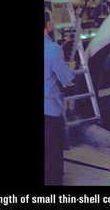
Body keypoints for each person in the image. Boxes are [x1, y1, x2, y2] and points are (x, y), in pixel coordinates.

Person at [44, 11, 75, 185]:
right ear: (48, 25)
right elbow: (67, 79)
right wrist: (69, 67)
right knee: (52, 157)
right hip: (49, 112)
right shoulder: (53, 50)